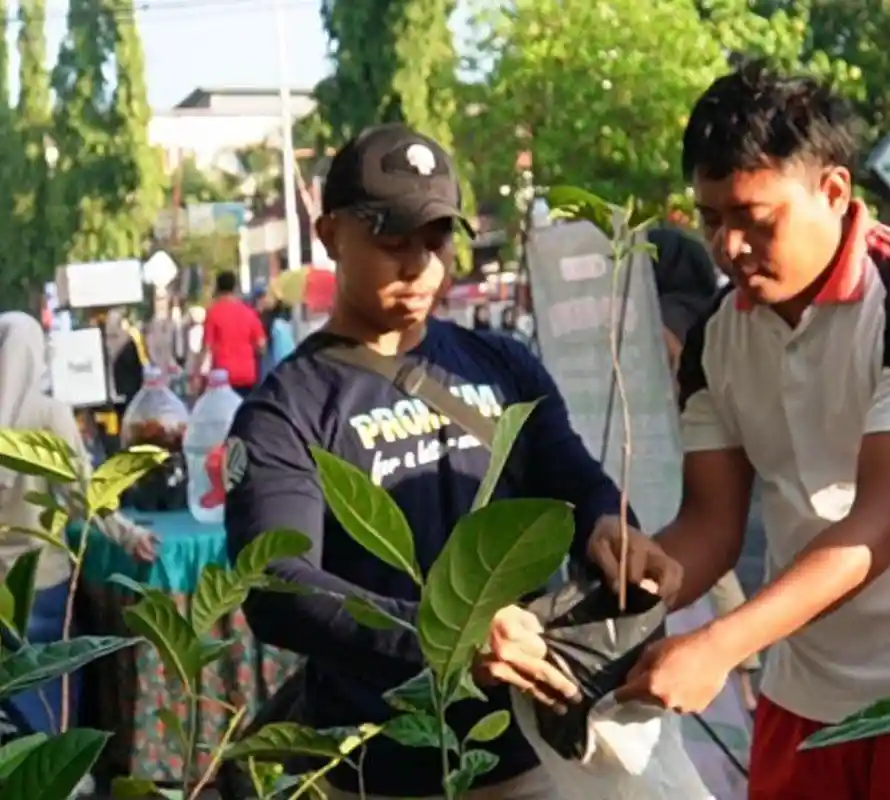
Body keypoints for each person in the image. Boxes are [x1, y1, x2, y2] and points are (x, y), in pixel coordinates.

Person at [612, 62, 890, 799]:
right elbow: (712, 525)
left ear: (835, 191)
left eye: (755, 218)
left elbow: (882, 521)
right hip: (805, 690)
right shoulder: (718, 336)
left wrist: (721, 643)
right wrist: (627, 587)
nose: (727, 246)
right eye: (712, 218)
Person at [223, 123, 681, 800]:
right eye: (391, 241)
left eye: (434, 241)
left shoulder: (504, 364)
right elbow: (278, 587)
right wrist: (448, 639)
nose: (417, 266)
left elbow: (570, 476)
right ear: (329, 236)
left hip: (529, 763)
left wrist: (607, 526)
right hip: (374, 772)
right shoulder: (284, 410)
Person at [0, 312, 157, 731]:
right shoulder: (49, 413)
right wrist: (129, 535)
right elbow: (84, 494)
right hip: (41, 575)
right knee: (50, 679)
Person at [651, 223, 761, 713]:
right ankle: (745, 682)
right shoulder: (723, 316)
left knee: (702, 565)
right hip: (700, 459)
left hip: (670, 461)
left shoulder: (662, 325)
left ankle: (740, 671)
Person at [199, 271, 266, 398]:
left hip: (223, 377)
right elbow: (261, 345)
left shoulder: (213, 313)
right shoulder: (249, 312)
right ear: (235, 288)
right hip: (247, 375)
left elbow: (207, 348)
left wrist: (198, 375)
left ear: (217, 288)